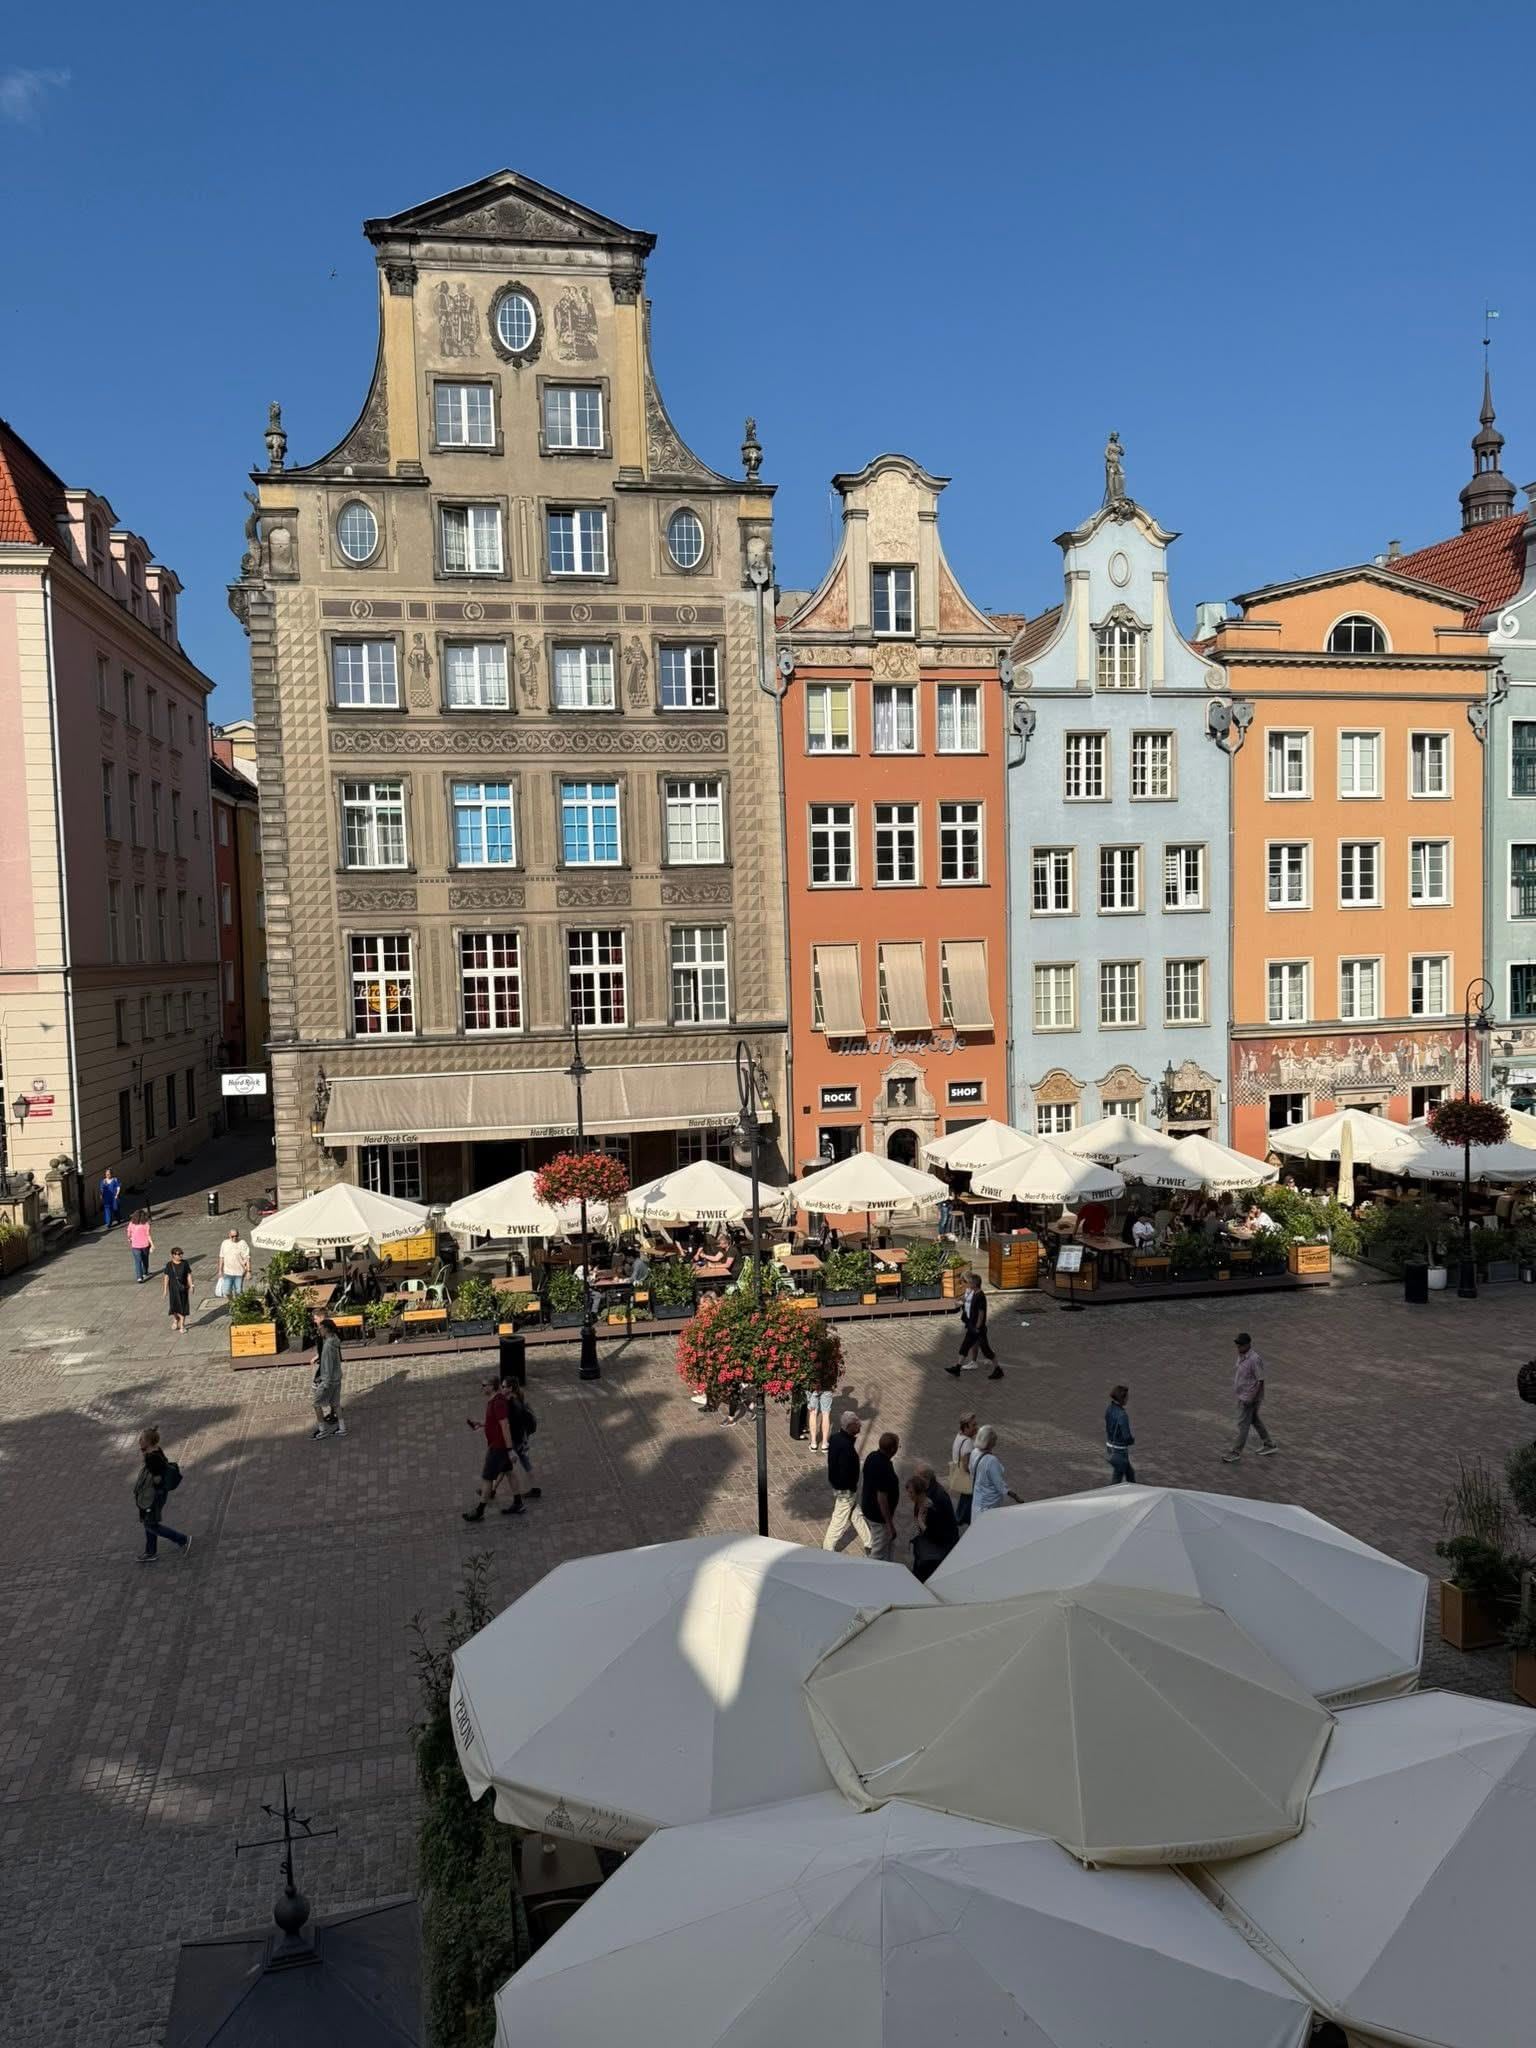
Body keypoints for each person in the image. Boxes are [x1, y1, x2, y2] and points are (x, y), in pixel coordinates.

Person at [464, 1374, 523, 1520]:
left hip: (498, 1447)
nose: (482, 1388)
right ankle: (518, 1503)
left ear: (492, 1386)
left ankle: (480, 1511)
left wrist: (510, 1450)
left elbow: (505, 1425)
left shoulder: (498, 1402)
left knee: (487, 1478)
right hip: (499, 1445)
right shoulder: (495, 1401)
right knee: (509, 1472)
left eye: (484, 1385)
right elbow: (495, 1421)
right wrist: (481, 1423)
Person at [133, 1426, 189, 1562]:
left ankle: (182, 1539)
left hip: (153, 1496)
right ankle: (150, 1551)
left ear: (148, 1442)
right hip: (154, 1494)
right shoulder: (156, 1451)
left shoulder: (152, 1458)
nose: (139, 1440)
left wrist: (150, 1489)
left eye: (142, 1439)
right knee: (149, 1522)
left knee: (151, 1524)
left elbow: (156, 1478)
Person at [1222, 1331, 1277, 1462]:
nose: (1238, 1347)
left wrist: (1251, 1398)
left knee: (1243, 1424)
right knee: (1254, 1420)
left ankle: (1236, 1452)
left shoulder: (1254, 1359)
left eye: (1241, 1345)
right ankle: (1269, 1444)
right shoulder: (1242, 1355)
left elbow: (1260, 1380)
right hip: (1243, 1395)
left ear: (1248, 1344)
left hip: (1249, 1398)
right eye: (1237, 1345)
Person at [823, 1410, 873, 1554]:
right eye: (857, 1424)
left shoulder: (835, 1438)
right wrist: (850, 1488)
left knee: (855, 1514)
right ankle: (827, 1549)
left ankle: (869, 1541)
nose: (860, 1426)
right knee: (839, 1519)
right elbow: (846, 1473)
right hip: (845, 1490)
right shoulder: (847, 1448)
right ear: (850, 1426)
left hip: (838, 1485)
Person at [946, 1271, 1002, 1380]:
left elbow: (981, 1313)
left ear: (974, 1284)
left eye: (969, 1283)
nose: (967, 1285)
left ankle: (998, 1369)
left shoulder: (980, 1296)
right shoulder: (975, 1293)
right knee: (965, 1346)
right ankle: (957, 1368)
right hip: (972, 1327)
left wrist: (977, 1327)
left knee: (986, 1350)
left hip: (978, 1329)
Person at [908, 1466, 960, 1582]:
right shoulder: (928, 1492)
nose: (910, 1494)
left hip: (939, 1549)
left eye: (916, 1479)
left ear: (926, 1479)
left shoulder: (935, 1500)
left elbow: (936, 1533)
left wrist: (921, 1523)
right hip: (935, 1546)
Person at [860, 1431, 901, 1562]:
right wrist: (889, 1524)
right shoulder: (884, 1467)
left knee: (886, 1544)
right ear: (893, 1449)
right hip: (878, 1515)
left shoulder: (872, 1456)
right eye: (898, 1446)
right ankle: (872, 1573)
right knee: (878, 1551)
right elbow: (882, 1498)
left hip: (868, 1507)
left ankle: (888, 1567)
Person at [504, 1378, 542, 1502]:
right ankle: (535, 1489)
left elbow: (513, 1425)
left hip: (516, 1440)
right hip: (520, 1439)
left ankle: (490, 1490)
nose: (502, 1388)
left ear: (510, 1388)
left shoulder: (513, 1404)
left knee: (504, 1465)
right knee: (525, 1463)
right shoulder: (518, 1399)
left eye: (504, 1386)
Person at [968, 1425, 1018, 1519]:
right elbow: (999, 1485)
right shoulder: (991, 1461)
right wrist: (1013, 1495)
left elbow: (971, 1471)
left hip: (978, 1500)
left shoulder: (974, 1452)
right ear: (989, 1442)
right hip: (988, 1504)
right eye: (994, 1441)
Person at [311, 1317, 345, 1440]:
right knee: (336, 1404)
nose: (319, 1330)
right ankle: (342, 1428)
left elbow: (328, 1365)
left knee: (316, 1404)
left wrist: (324, 1382)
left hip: (329, 1381)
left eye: (320, 1328)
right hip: (337, 1378)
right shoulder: (335, 1340)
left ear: (326, 1329)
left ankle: (322, 1430)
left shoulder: (327, 1346)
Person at [807, 1347, 841, 1455]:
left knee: (813, 1413)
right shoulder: (830, 1357)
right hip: (826, 1387)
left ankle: (813, 1442)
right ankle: (825, 1443)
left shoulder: (811, 1355)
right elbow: (836, 1373)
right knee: (826, 1414)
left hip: (813, 1388)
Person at [948, 1412, 979, 1526]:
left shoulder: (959, 1436)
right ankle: (966, 1519)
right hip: (966, 1477)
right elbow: (966, 1466)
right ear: (966, 1427)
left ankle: (960, 1517)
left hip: (959, 1473)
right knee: (970, 1498)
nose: (977, 1428)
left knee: (965, 1497)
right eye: (974, 1425)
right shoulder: (968, 1444)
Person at [1105, 1384, 1136, 1484]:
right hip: (1119, 1451)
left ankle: (1134, 1489)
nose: (1128, 1399)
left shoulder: (1109, 1409)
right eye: (1127, 1397)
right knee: (1117, 1479)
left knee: (1130, 1473)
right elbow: (1126, 1436)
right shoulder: (1122, 1415)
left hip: (1110, 1446)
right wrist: (1132, 1440)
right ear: (1122, 1398)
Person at [215, 1228, 252, 1302]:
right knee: (226, 1291)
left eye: (236, 1236)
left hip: (239, 1272)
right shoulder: (224, 1243)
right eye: (232, 1236)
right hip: (227, 1272)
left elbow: (247, 1258)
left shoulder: (242, 1243)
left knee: (238, 1292)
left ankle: (239, 1305)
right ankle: (232, 1302)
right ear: (229, 1235)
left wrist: (249, 1271)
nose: (235, 1238)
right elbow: (221, 1257)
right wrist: (220, 1270)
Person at [161, 1246, 192, 1334]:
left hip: (183, 1289)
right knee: (174, 1307)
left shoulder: (185, 1263)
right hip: (173, 1290)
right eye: (178, 1254)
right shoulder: (169, 1265)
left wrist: (191, 1285)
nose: (180, 1256)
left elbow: (188, 1274)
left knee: (183, 1307)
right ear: (173, 1255)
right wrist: (165, 1290)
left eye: (181, 1254)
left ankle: (182, 1325)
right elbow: (166, 1277)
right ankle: (175, 1319)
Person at [127, 1209, 155, 1283]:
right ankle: (145, 1272)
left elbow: (129, 1233)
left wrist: (129, 1238)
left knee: (137, 1261)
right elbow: (148, 1235)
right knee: (145, 1259)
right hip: (145, 1245)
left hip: (135, 1246)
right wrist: (152, 1245)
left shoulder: (131, 1223)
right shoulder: (146, 1224)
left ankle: (139, 1277)